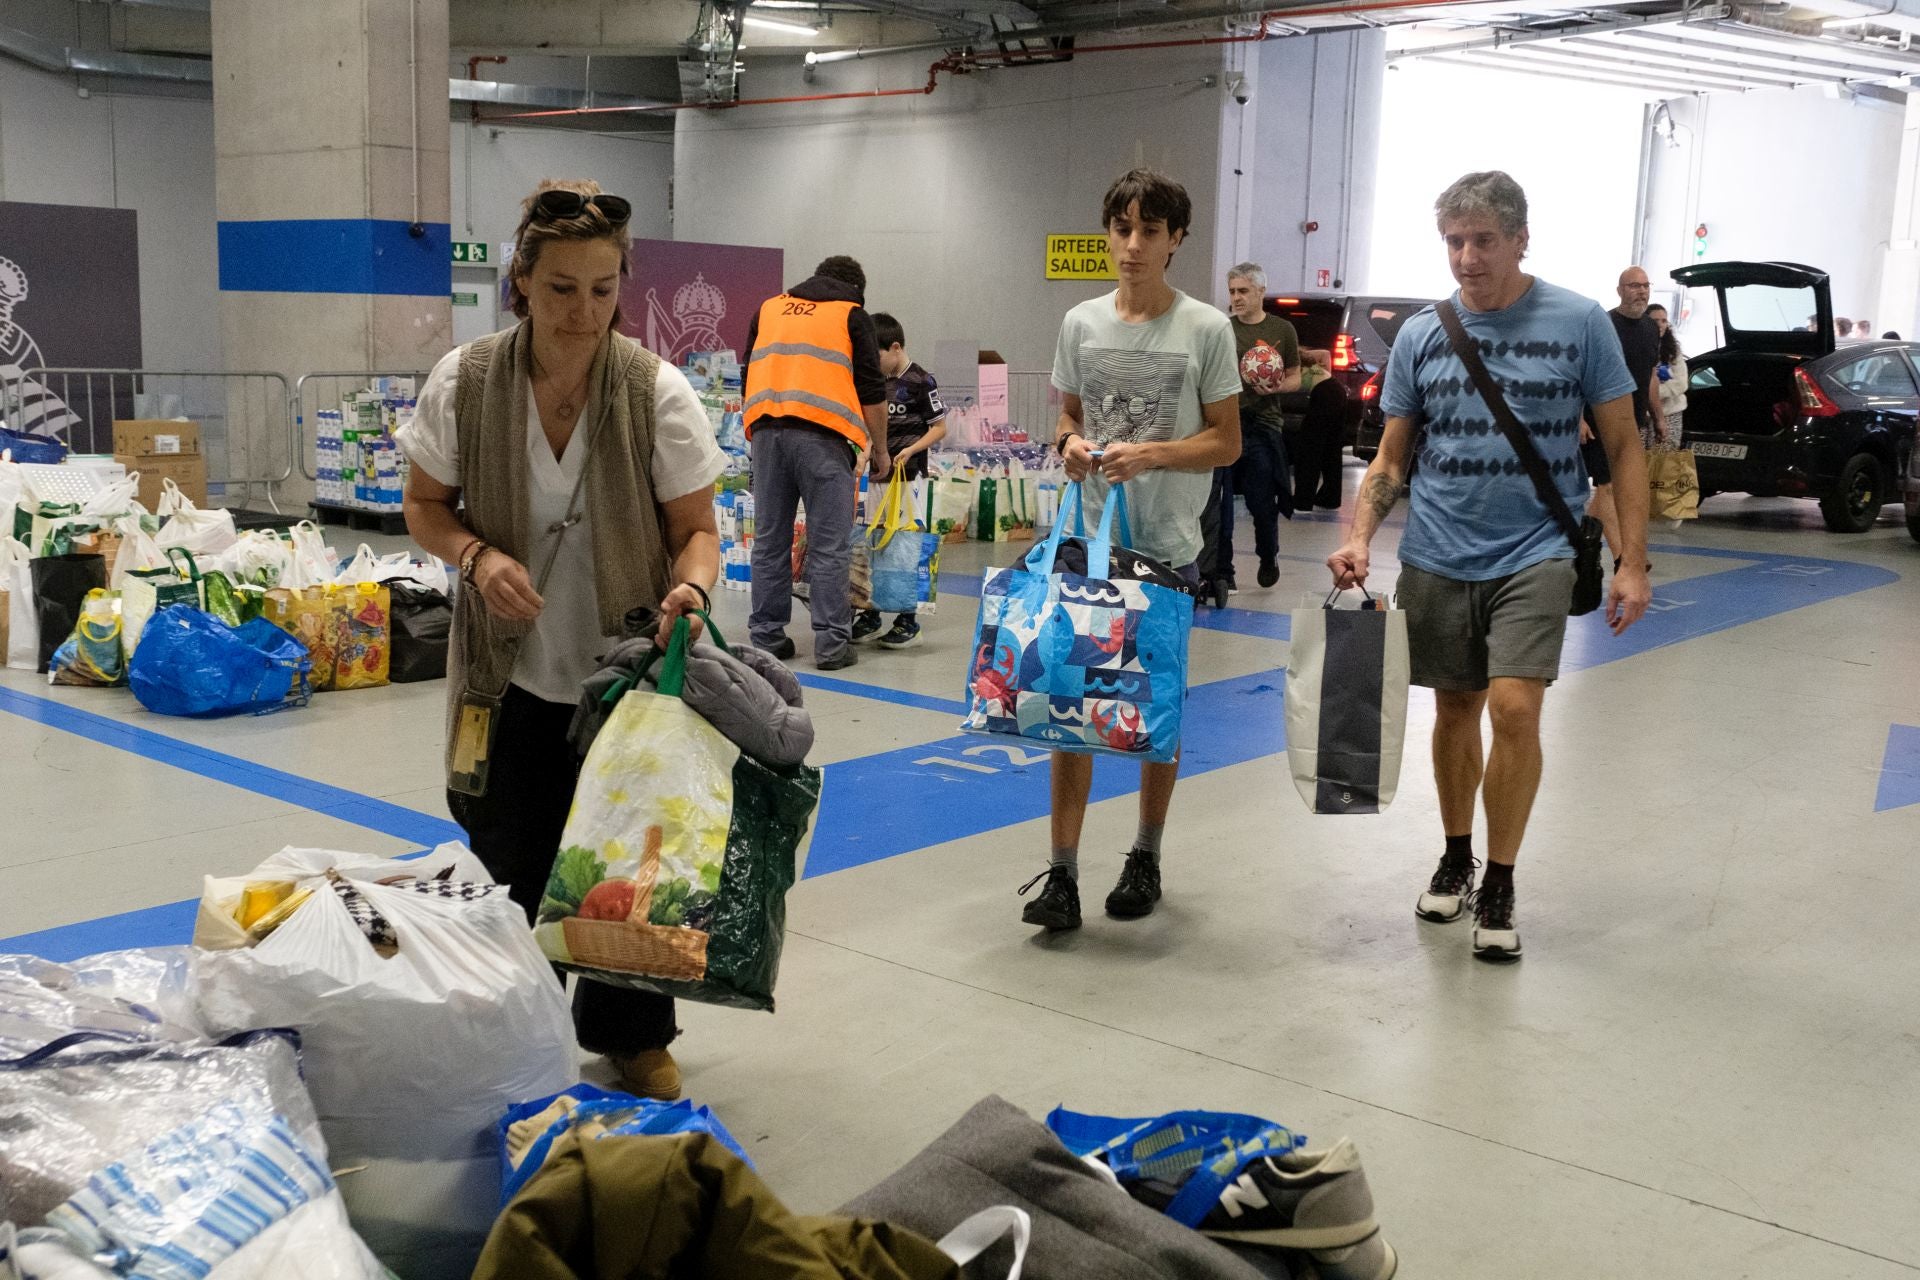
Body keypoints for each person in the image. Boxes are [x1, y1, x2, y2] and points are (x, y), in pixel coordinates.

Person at [398, 178, 725, 1099]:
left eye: (603, 289)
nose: (582, 312)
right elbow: (424, 507)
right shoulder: (465, 384)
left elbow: (696, 531)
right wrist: (473, 559)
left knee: (630, 861)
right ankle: (519, 1029)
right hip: (506, 678)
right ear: (521, 287)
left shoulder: (656, 393)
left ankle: (631, 1033)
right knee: (511, 854)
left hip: (624, 679)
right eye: (560, 290)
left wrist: (692, 589)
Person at [1327, 170, 1651, 963]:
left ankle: (1500, 879)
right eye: (1454, 242)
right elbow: (1392, 453)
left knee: (1514, 709)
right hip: (1438, 549)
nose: (1466, 258)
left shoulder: (1579, 322)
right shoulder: (1421, 334)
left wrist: (1631, 561)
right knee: (1454, 710)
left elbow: (1622, 445)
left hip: (1537, 548)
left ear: (1519, 240)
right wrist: (1363, 532)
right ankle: (1456, 851)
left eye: (1482, 241)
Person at [1018, 167, 1242, 932]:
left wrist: (1152, 455)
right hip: (1087, 545)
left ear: (1176, 241)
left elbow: (1226, 441)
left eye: (1150, 230)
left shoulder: (1206, 328)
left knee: (1156, 712)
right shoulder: (1080, 322)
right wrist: (1073, 446)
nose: (1133, 244)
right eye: (1122, 228)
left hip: (1169, 550)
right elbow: (1067, 418)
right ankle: (1062, 873)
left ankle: (1145, 853)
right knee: (1066, 707)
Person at [744, 255, 891, 671]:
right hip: (824, 441)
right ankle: (831, 646)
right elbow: (872, 391)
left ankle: (767, 637)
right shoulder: (851, 314)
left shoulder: (769, 308)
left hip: (768, 436)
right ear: (857, 289)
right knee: (829, 546)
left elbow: (747, 369)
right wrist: (879, 450)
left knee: (770, 540)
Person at [853, 311, 946, 649]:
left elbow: (939, 427)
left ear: (894, 348)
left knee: (906, 546)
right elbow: (872, 429)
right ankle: (871, 614)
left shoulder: (922, 381)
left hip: (910, 481)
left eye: (875, 356)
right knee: (874, 544)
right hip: (879, 478)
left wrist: (911, 449)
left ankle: (909, 620)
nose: (871, 363)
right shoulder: (876, 384)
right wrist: (865, 453)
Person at [1223, 262, 1299, 590]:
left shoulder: (1282, 331)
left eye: (1243, 291)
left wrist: (1277, 387)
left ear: (1261, 292)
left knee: (1261, 502)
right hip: (1226, 426)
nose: (1236, 298)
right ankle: (1222, 570)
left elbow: (1295, 377)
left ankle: (1268, 555)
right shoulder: (1222, 330)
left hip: (1262, 427)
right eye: (1232, 292)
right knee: (1220, 503)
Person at [1583, 267, 1667, 563]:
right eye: (1634, 286)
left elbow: (1650, 375)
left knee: (1619, 487)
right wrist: (1579, 417)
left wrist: (1657, 416)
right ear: (1620, 290)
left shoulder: (1649, 329)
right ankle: (1624, 559)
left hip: (1633, 421)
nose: (1641, 291)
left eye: (1645, 286)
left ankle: (1578, 543)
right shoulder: (1604, 325)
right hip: (1598, 421)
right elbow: (1581, 375)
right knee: (1606, 486)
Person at [1647, 303, 1687, 448]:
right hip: (1641, 415)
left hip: (1670, 412)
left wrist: (1652, 392)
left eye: (1664, 320)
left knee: (1664, 463)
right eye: (1655, 321)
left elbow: (1681, 383)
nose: (1660, 324)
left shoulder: (1673, 349)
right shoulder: (1635, 346)